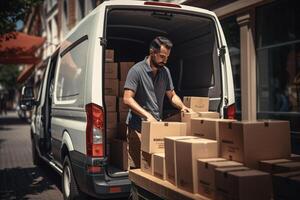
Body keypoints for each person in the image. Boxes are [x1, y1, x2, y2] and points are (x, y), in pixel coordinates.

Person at [123, 36, 192, 169]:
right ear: (152, 52)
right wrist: (147, 115)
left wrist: (183, 107)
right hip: (138, 128)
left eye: (167, 57)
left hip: (156, 126)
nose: (165, 61)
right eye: (162, 56)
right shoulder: (136, 71)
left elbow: (171, 95)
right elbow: (127, 98)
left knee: (154, 168)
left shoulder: (165, 72)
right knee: (138, 170)